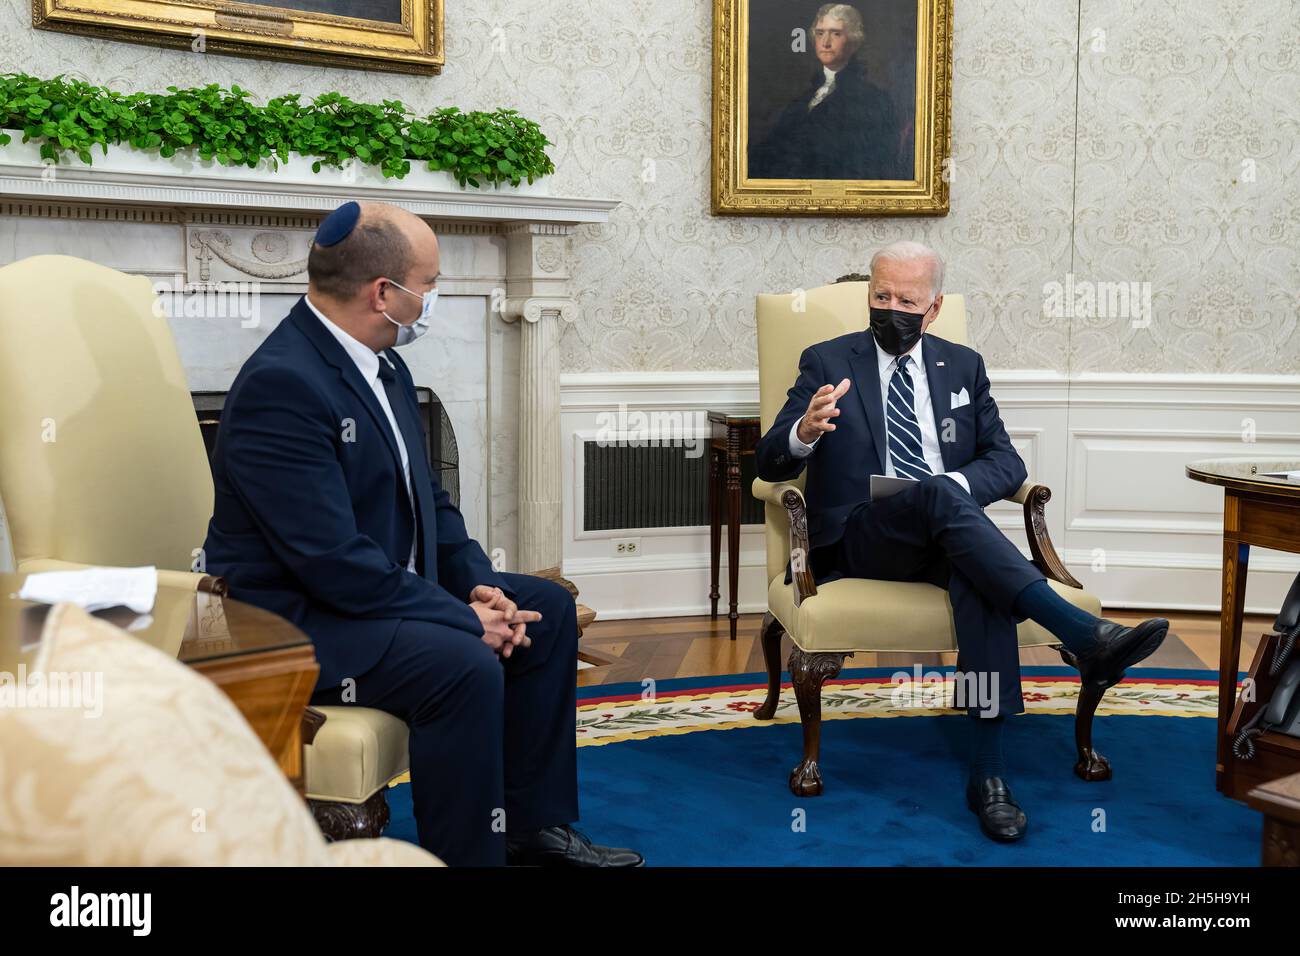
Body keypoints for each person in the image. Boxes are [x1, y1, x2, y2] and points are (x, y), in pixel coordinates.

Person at [203, 199, 642, 867]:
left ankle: (530, 829)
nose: (431, 298)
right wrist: (464, 621)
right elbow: (331, 563)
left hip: (371, 594)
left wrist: (481, 587)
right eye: (429, 285)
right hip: (294, 620)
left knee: (543, 610)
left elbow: (431, 505)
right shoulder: (283, 384)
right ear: (386, 294)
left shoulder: (387, 365)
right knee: (459, 663)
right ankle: (468, 858)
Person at [755, 239, 1170, 842]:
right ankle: (1082, 634)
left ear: (935, 306)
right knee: (949, 507)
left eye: (907, 299)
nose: (891, 307)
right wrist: (802, 432)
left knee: (978, 568)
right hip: (861, 536)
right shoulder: (826, 361)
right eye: (881, 295)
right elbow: (768, 463)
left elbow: (1005, 462)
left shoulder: (963, 365)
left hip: (944, 534)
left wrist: (946, 487)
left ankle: (989, 777)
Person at [749, 3, 910, 181]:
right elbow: (774, 148)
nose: (825, 42)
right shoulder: (804, 99)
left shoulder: (873, 100)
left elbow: (869, 166)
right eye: (820, 33)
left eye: (836, 33)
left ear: (853, 41)